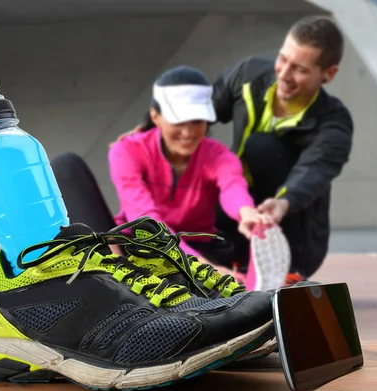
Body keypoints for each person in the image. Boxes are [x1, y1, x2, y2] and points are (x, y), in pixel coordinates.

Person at [51, 65, 271, 274]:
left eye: (197, 121)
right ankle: (115, 274)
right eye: (179, 120)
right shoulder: (126, 150)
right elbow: (146, 221)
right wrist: (204, 269)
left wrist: (247, 213)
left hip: (201, 248)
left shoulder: (218, 155)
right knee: (66, 165)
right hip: (138, 245)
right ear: (155, 116)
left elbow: (233, 186)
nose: (188, 132)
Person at [210, 15, 354, 284]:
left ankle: (282, 269)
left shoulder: (334, 121)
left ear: (329, 74)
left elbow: (315, 170)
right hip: (235, 209)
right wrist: (150, 128)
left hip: (295, 233)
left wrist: (282, 203)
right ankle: (227, 262)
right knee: (209, 163)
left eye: (299, 69)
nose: (284, 74)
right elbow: (200, 111)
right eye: (283, 59)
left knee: (260, 146)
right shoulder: (249, 76)